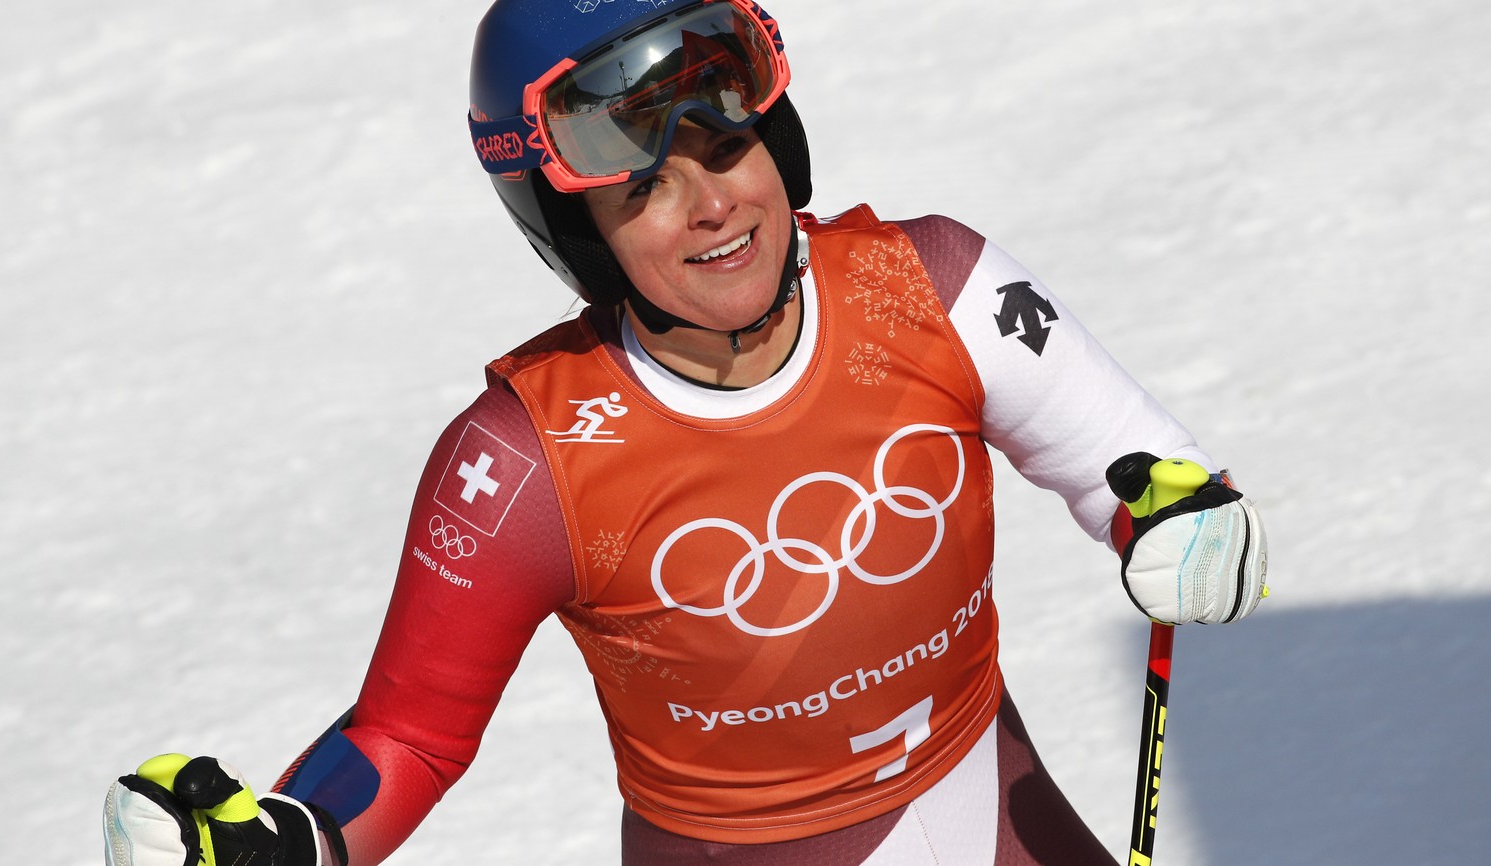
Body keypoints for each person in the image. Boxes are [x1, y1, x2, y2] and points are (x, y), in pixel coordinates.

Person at [102, 1, 1268, 864]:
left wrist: (1192, 526)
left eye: (727, 146)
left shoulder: (934, 288)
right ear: (581, 233)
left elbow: (1151, 478)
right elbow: (406, 734)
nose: (713, 204)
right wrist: (284, 835)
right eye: (645, 187)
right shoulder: (522, 462)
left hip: (985, 805)